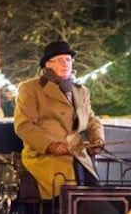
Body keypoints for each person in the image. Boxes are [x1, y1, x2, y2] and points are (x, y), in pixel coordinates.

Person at [13, 40, 105, 199]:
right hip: (46, 158)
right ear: (47, 65)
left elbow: (91, 119)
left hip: (78, 155)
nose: (66, 64)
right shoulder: (30, 89)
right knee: (71, 193)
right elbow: (24, 125)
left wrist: (97, 138)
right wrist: (51, 145)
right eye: (60, 60)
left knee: (98, 192)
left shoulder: (81, 91)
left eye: (68, 59)